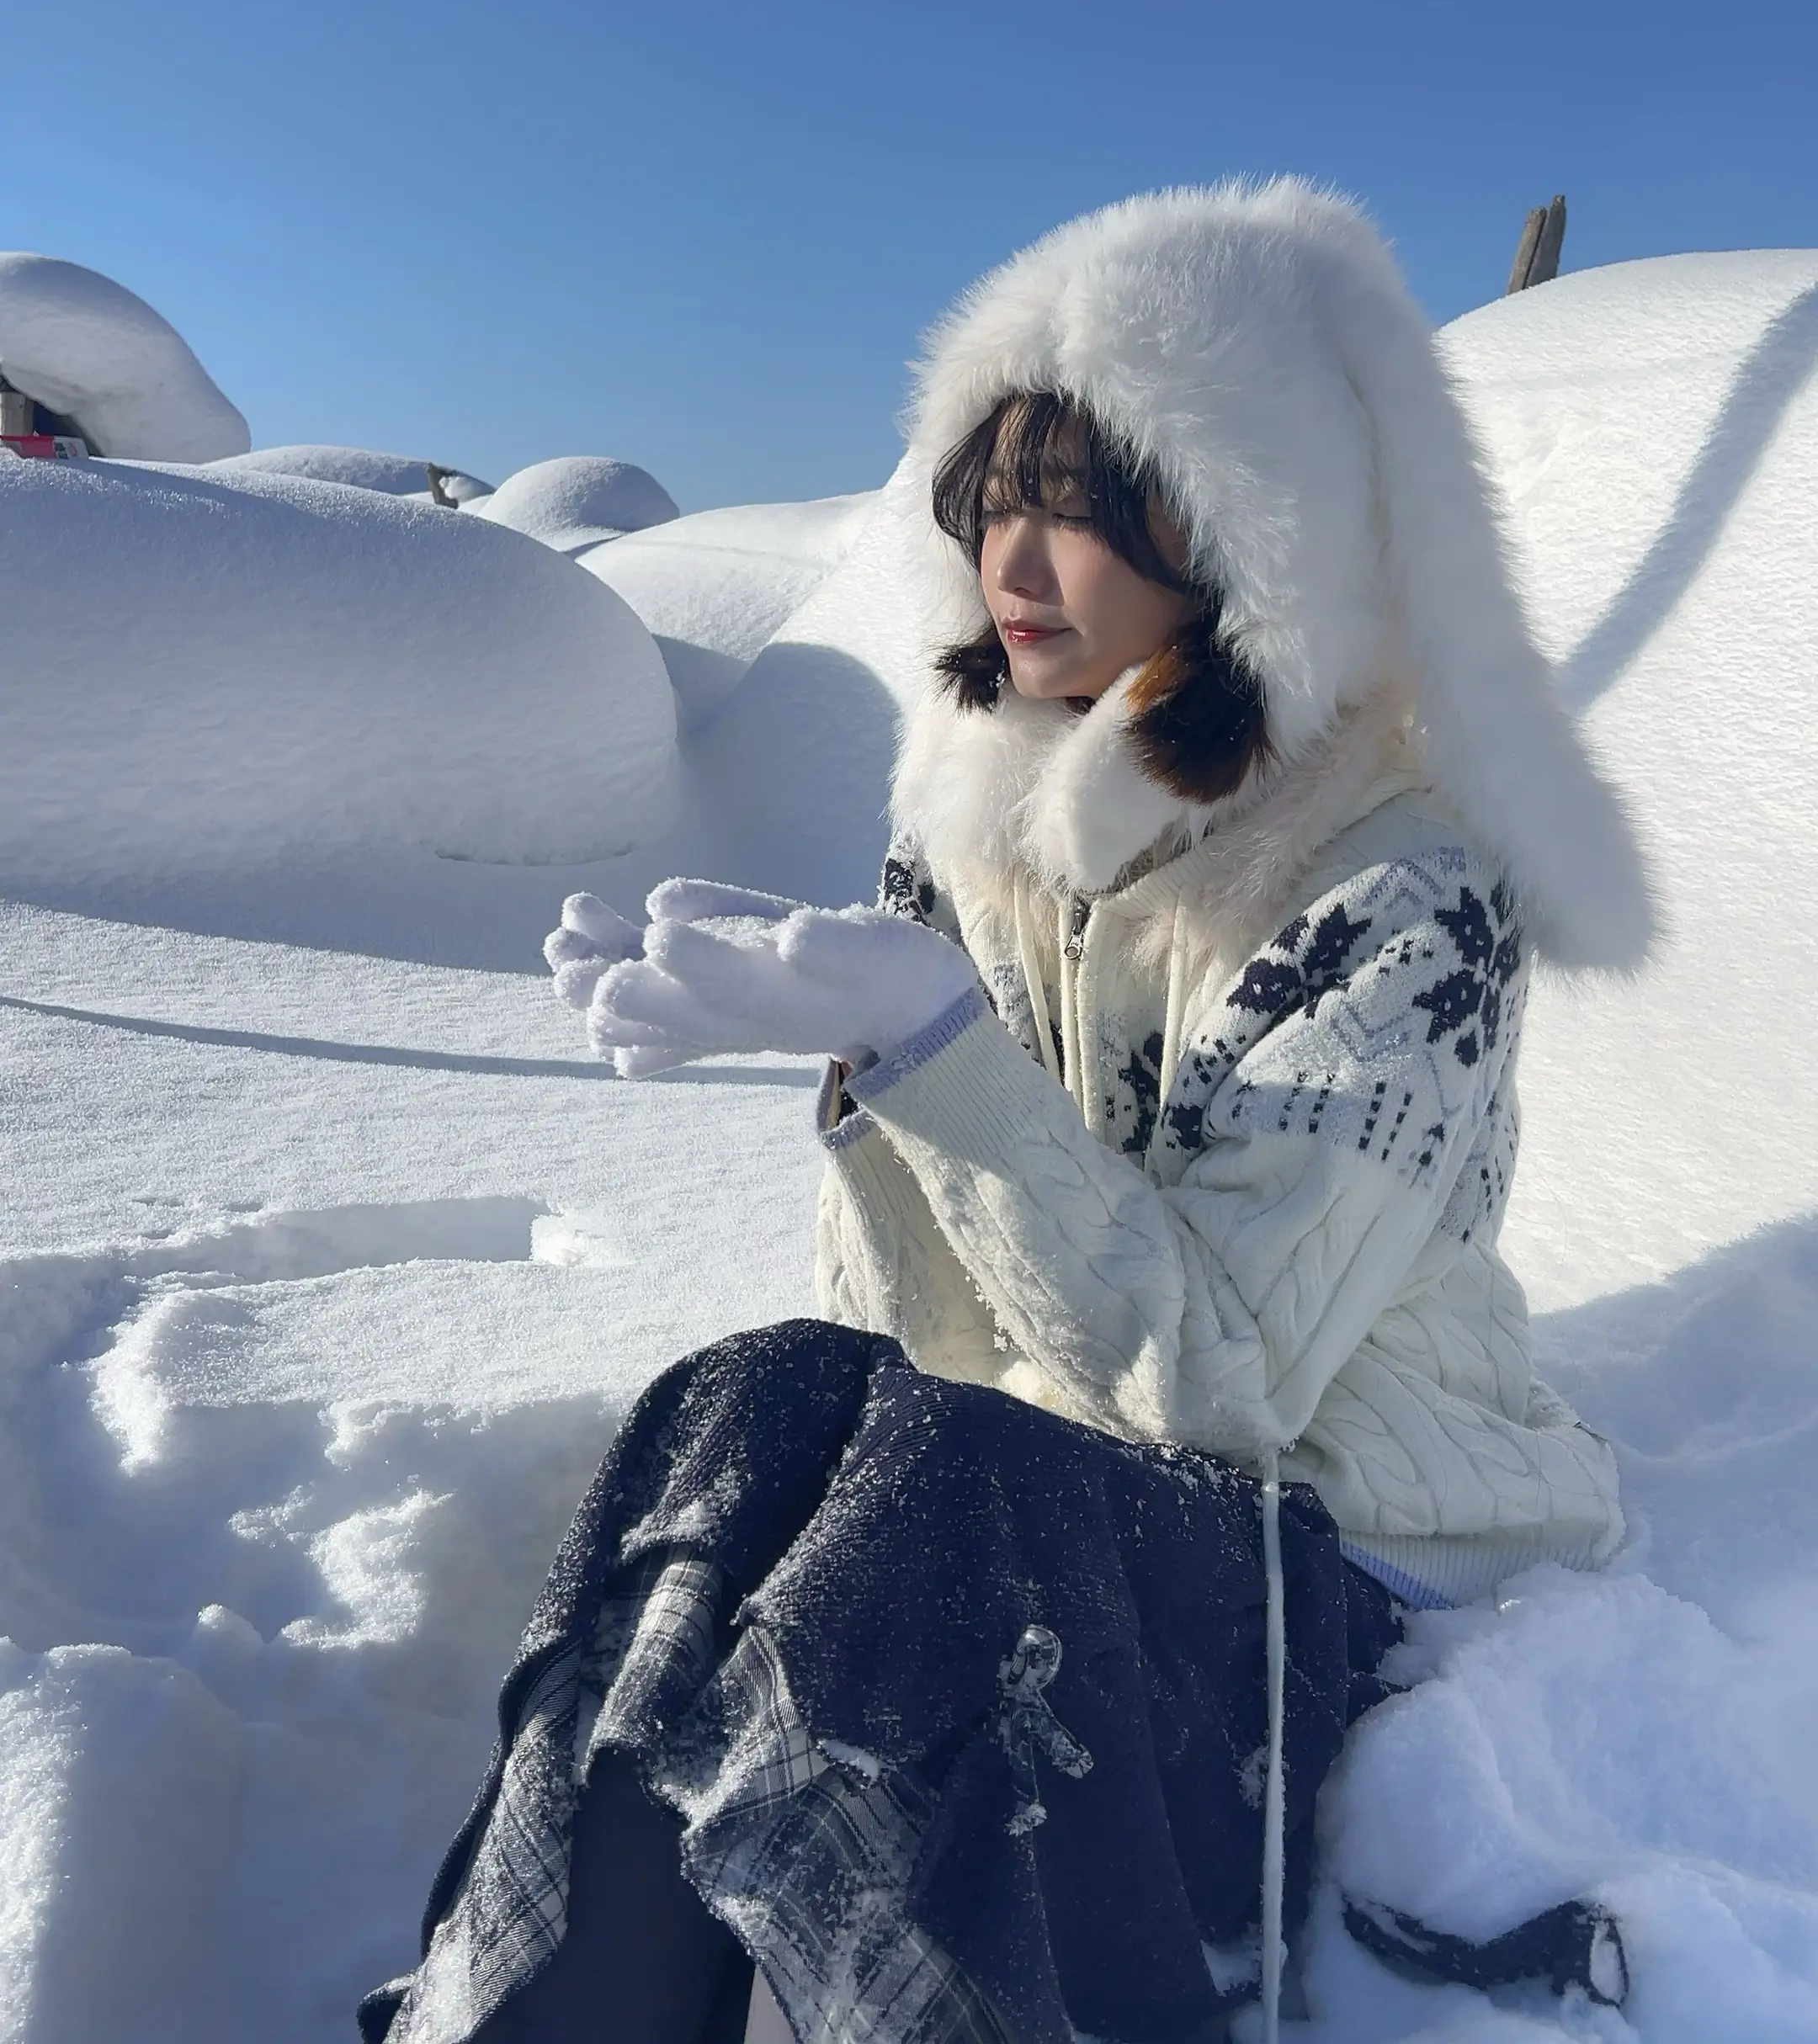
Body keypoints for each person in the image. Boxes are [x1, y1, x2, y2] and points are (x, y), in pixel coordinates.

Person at [360, 182, 1652, 2044]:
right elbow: (926, 1346)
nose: (1013, 564)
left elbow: (1229, 1388)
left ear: (1243, 529)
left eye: (1083, 504)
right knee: (751, 1401)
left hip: (1347, 1574)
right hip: (1050, 1526)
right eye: (990, 506)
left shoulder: (1402, 891)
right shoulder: (986, 842)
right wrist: (874, 1085)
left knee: (937, 1512)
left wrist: (942, 1056)